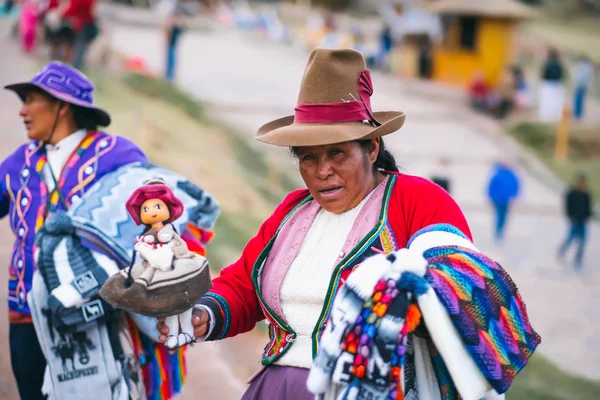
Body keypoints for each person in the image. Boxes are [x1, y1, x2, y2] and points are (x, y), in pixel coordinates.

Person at [156, 49, 538, 399]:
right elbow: (243, 285)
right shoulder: (293, 211)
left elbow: (461, 279)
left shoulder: (417, 202)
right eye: (308, 158)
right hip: (275, 387)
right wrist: (202, 315)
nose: (322, 172)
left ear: (371, 148)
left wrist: (408, 289)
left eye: (337, 153)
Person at [0, 61, 147, 400]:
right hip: (25, 312)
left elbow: (152, 214)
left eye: (31, 99)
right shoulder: (19, 162)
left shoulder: (117, 155)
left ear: (61, 105)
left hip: (89, 310)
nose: (22, 111)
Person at [558, 173, 593, 270]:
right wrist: (570, 215)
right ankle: (561, 252)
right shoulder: (572, 193)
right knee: (570, 239)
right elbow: (568, 205)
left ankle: (578, 260)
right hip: (574, 220)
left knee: (582, 242)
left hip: (583, 221)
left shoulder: (586, 195)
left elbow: (588, 208)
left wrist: (588, 216)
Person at [487, 160, 520, 244]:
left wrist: (514, 196)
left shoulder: (511, 175)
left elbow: (515, 186)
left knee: (504, 217)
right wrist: (491, 198)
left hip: (507, 200)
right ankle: (498, 232)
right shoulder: (498, 174)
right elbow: (491, 187)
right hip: (498, 200)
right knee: (499, 216)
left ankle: (501, 232)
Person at [538, 47, 565, 123]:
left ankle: (545, 116)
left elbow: (543, 74)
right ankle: (555, 116)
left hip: (547, 84)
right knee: (555, 101)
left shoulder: (547, 63)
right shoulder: (559, 64)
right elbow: (561, 75)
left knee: (546, 101)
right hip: (557, 84)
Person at [572, 55, 595, 120]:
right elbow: (590, 77)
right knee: (582, 99)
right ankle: (579, 113)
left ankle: (577, 113)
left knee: (578, 99)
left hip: (579, 85)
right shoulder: (589, 67)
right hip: (585, 85)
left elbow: (577, 76)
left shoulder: (581, 66)